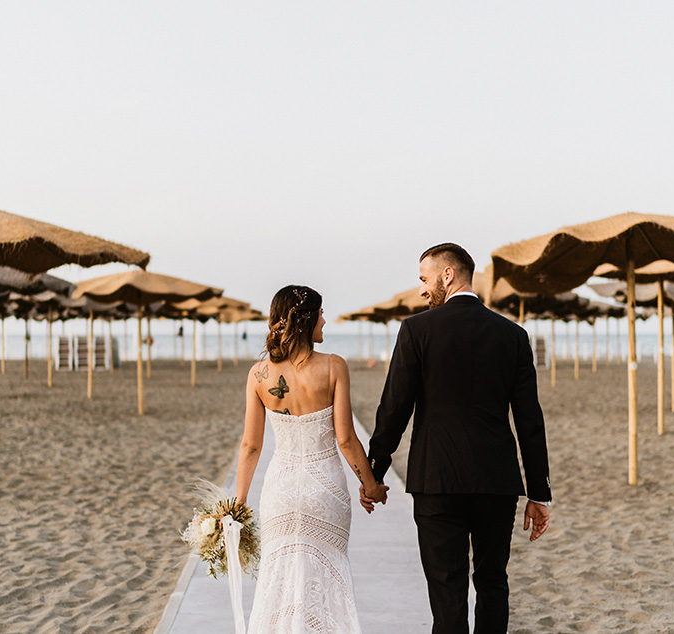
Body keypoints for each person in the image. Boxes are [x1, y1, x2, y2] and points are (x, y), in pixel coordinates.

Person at [363, 243, 552, 634]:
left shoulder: (417, 330)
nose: (421, 289)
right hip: (495, 482)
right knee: (493, 584)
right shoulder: (513, 335)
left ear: (447, 275)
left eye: (424, 278)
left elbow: (395, 408)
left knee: (447, 593)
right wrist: (538, 492)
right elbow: (530, 420)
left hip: (436, 481)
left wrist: (375, 471)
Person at [235, 285, 389, 633]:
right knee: (327, 581)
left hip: (281, 490)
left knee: (278, 583)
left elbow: (250, 446)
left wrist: (238, 504)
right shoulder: (335, 366)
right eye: (320, 314)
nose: (324, 321)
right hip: (326, 490)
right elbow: (347, 439)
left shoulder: (259, 375)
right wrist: (372, 486)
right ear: (305, 320)